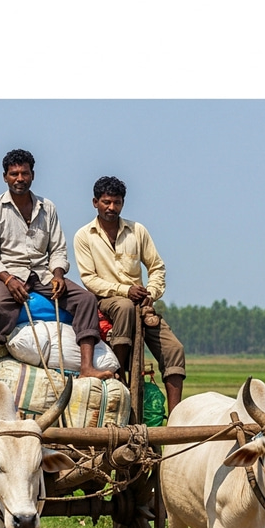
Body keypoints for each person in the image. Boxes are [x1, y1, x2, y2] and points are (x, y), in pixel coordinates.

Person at [0, 149, 114, 391]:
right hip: (9, 272)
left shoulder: (47, 207)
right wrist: (8, 280)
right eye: (14, 174)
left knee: (85, 299)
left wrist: (59, 274)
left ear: (33, 175)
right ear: (5, 177)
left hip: (43, 273)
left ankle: (86, 368)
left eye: (25, 173)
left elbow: (58, 248)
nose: (20, 178)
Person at [73, 175, 186, 414]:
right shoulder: (85, 236)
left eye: (116, 202)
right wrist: (126, 290)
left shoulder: (137, 231)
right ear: (95, 202)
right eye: (106, 202)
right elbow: (89, 279)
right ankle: (120, 379)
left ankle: (176, 416)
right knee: (123, 307)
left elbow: (156, 267)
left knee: (174, 348)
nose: (111, 207)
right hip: (106, 299)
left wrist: (151, 293)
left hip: (141, 304)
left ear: (123, 203)